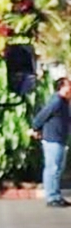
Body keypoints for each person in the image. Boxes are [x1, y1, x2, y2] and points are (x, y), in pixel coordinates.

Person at [30, 77, 71, 207]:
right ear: (61, 88)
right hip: (53, 139)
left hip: (60, 139)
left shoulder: (64, 102)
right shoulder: (57, 101)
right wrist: (35, 128)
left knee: (58, 169)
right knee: (52, 169)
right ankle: (52, 197)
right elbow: (43, 115)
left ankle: (56, 195)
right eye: (69, 85)